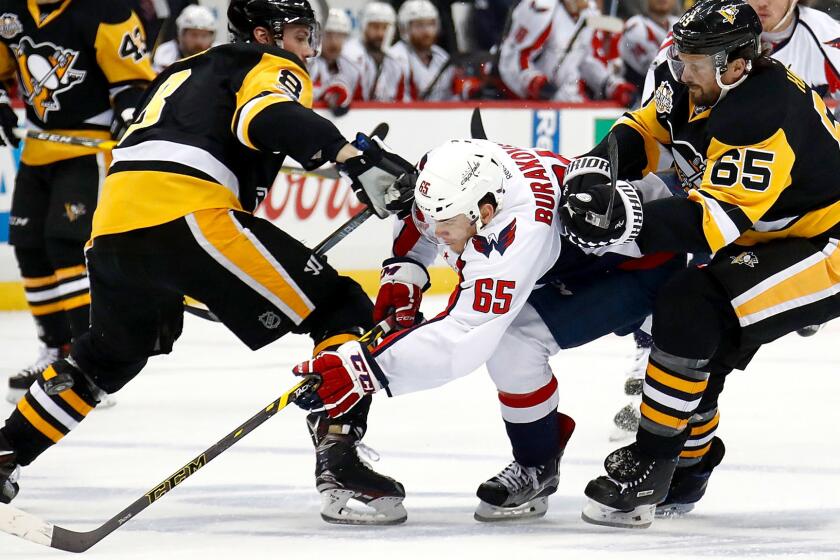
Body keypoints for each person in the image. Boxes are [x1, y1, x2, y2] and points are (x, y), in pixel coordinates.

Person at [0, 0, 417, 528]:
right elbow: (265, 116)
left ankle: (6, 450)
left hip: (112, 227)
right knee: (341, 307)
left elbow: (213, 139)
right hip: (188, 215)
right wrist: (350, 155)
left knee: (106, 359)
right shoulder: (267, 64)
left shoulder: (182, 72)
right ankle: (341, 464)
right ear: (263, 34)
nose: (306, 49)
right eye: (298, 35)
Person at [291, 138, 686, 521]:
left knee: (515, 342)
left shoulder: (520, 230)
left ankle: (570, 465)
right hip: (576, 256)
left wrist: (364, 371)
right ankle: (538, 464)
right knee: (514, 345)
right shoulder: (447, 168)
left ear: (486, 210)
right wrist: (406, 270)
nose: (438, 231)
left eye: (448, 223)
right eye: (435, 219)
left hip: (637, 265)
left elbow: (463, 338)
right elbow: (416, 217)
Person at [560, 0, 840, 528]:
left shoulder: (761, 112)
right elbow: (643, 128)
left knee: (692, 306)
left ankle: (655, 461)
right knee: (697, 339)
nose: (680, 70)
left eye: (694, 63)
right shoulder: (693, 77)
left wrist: (623, 217)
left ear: (736, 65)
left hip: (827, 243)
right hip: (774, 232)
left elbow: (712, 222)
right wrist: (595, 168)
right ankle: (685, 468)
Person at [1, 0, 155, 406]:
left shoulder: (106, 9)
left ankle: (88, 364)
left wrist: (128, 114)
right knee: (29, 247)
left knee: (67, 246)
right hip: (38, 148)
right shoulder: (10, 8)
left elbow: (135, 82)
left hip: (87, 150)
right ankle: (53, 351)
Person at [496, 0, 636, 104]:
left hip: (569, 99)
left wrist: (611, 85)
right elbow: (512, 59)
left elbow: (587, 60)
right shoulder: (541, 7)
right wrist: (533, 82)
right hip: (529, 103)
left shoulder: (590, 13)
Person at [387, 0, 454, 101]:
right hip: (404, 115)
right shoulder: (393, 58)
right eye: (419, 25)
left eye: (431, 24)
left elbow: (450, 99)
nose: (426, 31)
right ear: (405, 28)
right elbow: (388, 100)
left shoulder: (442, 57)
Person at [342, 1, 403, 101]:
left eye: (385, 28)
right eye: (375, 27)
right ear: (363, 26)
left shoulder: (396, 60)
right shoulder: (349, 54)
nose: (380, 33)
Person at [619, 0, 679, 93]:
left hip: (673, 92)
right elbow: (656, 69)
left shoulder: (679, 23)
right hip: (639, 97)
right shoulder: (635, 26)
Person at [309, 8, 358, 116]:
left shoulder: (352, 69)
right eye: (329, 35)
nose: (334, 42)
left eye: (340, 35)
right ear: (317, 35)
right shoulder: (307, 63)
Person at [152, 4, 219, 72]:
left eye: (204, 36)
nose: (199, 41)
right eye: (194, 35)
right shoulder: (165, 52)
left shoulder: (220, 54)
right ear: (181, 34)